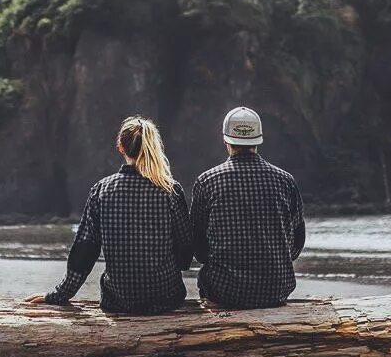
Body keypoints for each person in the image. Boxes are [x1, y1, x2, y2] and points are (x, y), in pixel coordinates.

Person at [25, 116, 193, 313]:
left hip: (119, 302)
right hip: (166, 299)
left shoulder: (102, 190)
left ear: (120, 147)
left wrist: (59, 294)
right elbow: (185, 254)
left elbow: (84, 252)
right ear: (154, 146)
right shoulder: (170, 190)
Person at [190, 106, 305, 309]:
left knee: (206, 278)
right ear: (259, 140)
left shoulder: (207, 181)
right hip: (275, 290)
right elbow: (296, 242)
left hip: (225, 291)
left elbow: (199, 248)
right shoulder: (285, 180)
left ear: (226, 141)